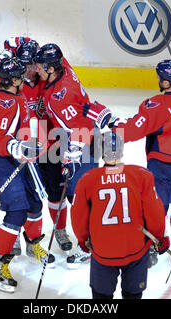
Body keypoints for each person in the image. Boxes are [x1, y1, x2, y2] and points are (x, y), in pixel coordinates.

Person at [83, 59, 171, 266]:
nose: (159, 80)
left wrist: (109, 120)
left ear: (167, 83)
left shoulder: (157, 106)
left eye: (161, 78)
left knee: (157, 205)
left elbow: (132, 130)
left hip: (163, 162)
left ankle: (152, 246)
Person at [0, 57, 54, 293]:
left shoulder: (14, 93)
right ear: (12, 80)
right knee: (16, 212)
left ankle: (33, 245)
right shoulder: (5, 103)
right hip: (3, 161)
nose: (25, 78)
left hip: (20, 158)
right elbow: (0, 138)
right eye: (21, 76)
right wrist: (20, 148)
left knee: (34, 203)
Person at [70, 132, 169, 299]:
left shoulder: (87, 179)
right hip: (135, 249)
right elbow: (155, 213)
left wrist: (83, 240)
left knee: (101, 298)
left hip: (102, 252)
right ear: (122, 151)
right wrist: (159, 237)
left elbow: (78, 217)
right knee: (133, 295)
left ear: (101, 152)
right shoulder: (142, 175)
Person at [33, 43, 103, 267]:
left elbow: (78, 129)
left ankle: (93, 246)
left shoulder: (59, 98)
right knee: (81, 196)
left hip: (84, 143)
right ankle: (93, 242)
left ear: (52, 69)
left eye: (40, 66)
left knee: (82, 198)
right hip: (85, 137)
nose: (37, 69)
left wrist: (72, 159)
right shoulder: (64, 68)